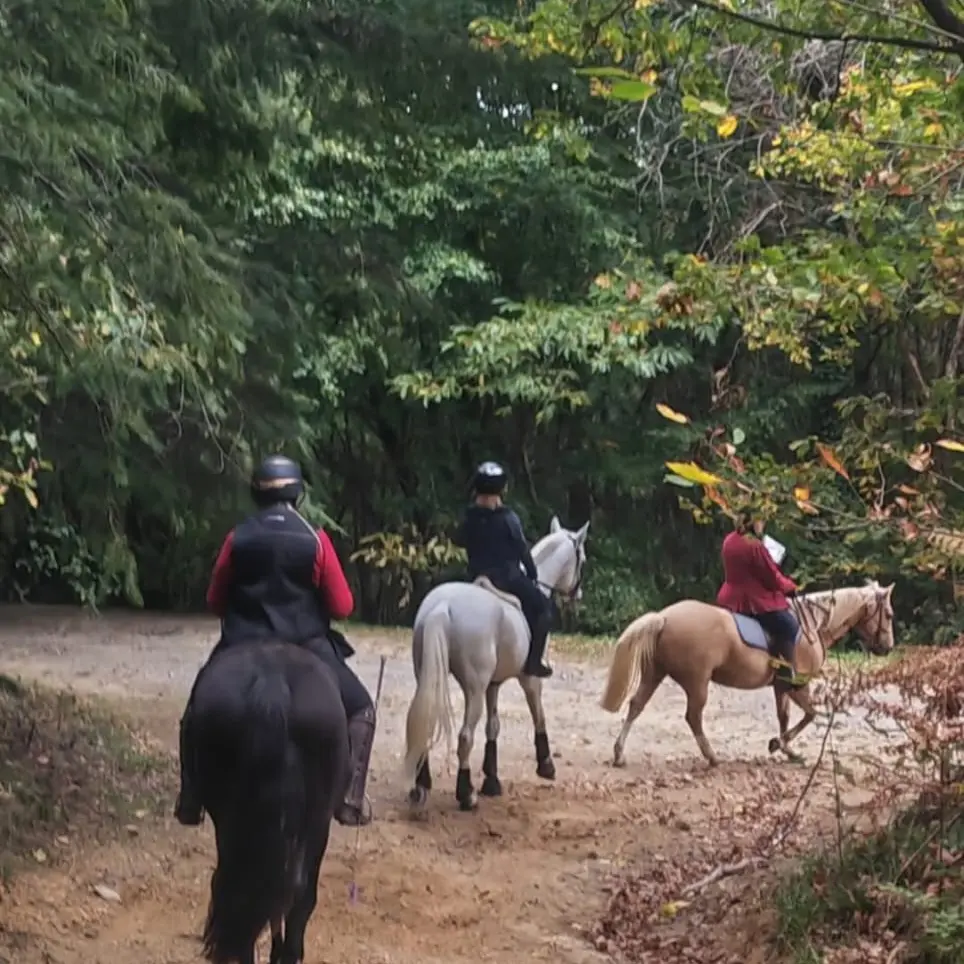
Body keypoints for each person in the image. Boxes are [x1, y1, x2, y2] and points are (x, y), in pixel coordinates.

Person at [174, 455, 376, 828]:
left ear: (256, 494)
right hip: (308, 646)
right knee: (362, 708)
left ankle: (190, 799)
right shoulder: (316, 540)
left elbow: (215, 600)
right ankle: (350, 801)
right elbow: (343, 605)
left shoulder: (238, 538)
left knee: (195, 710)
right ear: (298, 495)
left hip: (241, 642)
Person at [454, 461, 554, 679]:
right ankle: (533, 663)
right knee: (544, 608)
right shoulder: (508, 519)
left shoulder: (468, 517)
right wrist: (533, 574)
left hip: (475, 577)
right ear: (500, 491)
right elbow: (521, 549)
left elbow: (459, 540)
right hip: (506, 579)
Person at [717, 511, 801, 686]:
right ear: (753, 522)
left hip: (729, 597)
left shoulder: (729, 540)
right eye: (761, 521)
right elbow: (771, 577)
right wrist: (791, 587)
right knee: (789, 626)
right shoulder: (754, 545)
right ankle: (786, 674)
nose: (763, 524)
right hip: (752, 600)